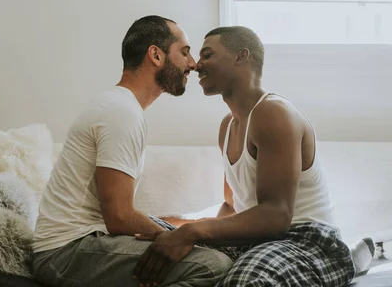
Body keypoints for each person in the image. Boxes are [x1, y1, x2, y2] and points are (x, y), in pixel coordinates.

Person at [133, 26, 356, 286]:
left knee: (245, 279)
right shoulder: (227, 127)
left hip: (307, 241)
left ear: (241, 57)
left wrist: (194, 231)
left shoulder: (274, 114)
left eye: (207, 54)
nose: (195, 65)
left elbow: (276, 215)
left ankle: (352, 257)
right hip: (256, 242)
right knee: (153, 239)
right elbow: (231, 207)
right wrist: (176, 234)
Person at [32, 16, 233, 286]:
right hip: (65, 252)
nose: (193, 64)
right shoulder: (121, 112)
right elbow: (119, 216)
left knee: (200, 252)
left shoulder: (122, 108)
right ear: (156, 55)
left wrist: (176, 232)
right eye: (184, 52)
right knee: (213, 265)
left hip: (81, 243)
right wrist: (174, 237)